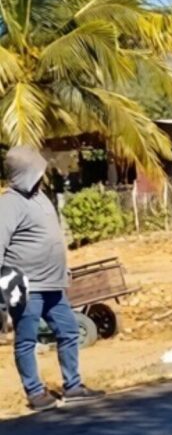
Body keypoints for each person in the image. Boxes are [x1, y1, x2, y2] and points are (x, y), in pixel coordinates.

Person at [0, 146, 103, 411]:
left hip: (52, 284)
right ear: (24, 172)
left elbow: (51, 237)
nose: (40, 175)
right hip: (24, 286)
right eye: (36, 170)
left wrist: (62, 268)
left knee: (68, 331)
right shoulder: (9, 203)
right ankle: (35, 393)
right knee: (27, 340)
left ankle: (73, 386)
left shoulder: (41, 198)